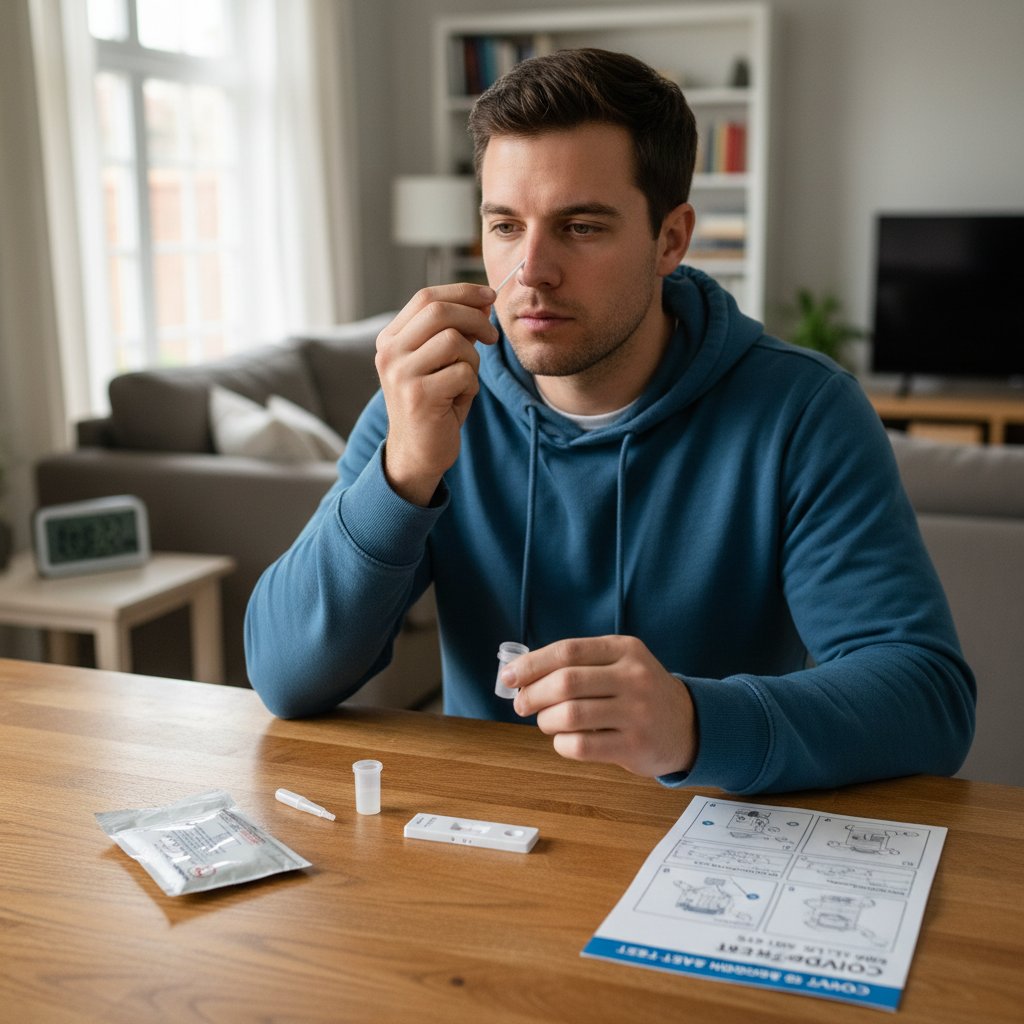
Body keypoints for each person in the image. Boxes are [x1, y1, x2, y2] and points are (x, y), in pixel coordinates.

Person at [245, 48, 974, 794]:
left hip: (709, 843)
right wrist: (403, 474)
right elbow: (284, 679)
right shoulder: (428, 401)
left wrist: (693, 720)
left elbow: (928, 698)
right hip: (485, 843)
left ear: (671, 239)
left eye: (581, 227)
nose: (530, 271)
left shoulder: (803, 412)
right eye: (504, 226)